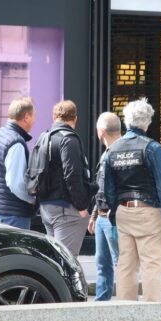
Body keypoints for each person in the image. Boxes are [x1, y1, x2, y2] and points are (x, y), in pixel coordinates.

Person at [105, 98, 161, 321]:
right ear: (147, 122)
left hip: (124, 213)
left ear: (127, 121)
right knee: (152, 266)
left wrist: (113, 218)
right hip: (149, 212)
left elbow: (108, 189)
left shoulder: (113, 150)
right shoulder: (152, 148)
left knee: (126, 266)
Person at [39, 100, 98, 257]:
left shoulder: (44, 137)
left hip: (47, 208)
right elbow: (72, 175)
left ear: (54, 117)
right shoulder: (69, 140)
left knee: (55, 261)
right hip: (66, 209)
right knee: (66, 262)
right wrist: (82, 207)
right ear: (75, 119)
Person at [0, 96, 36, 229]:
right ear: (26, 117)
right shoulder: (16, 143)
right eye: (33, 116)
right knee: (15, 250)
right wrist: (33, 200)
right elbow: (16, 184)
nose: (34, 121)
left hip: (0, 208)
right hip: (14, 213)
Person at [88, 112, 120, 301]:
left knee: (119, 264)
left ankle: (126, 305)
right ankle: (101, 305)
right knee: (103, 264)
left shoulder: (117, 152)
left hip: (111, 217)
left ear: (101, 131)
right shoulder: (107, 153)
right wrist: (94, 215)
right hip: (102, 216)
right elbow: (102, 188)